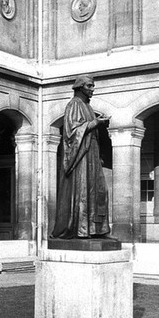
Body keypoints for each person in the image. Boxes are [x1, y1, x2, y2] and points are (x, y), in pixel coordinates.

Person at [51, 75, 110, 239]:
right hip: (81, 154)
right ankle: (81, 229)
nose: (92, 89)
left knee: (99, 189)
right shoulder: (74, 104)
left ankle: (95, 229)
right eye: (89, 86)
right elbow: (71, 133)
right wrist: (94, 124)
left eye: (93, 86)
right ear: (80, 87)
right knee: (84, 189)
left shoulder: (87, 107)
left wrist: (99, 123)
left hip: (91, 151)